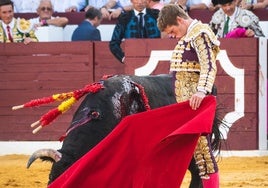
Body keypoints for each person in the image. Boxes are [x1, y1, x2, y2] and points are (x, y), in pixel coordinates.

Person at [157, 4, 220, 187]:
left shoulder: (200, 33)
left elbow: (209, 65)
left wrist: (201, 91)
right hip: (185, 105)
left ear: (179, 20)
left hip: (195, 102)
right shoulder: (189, 35)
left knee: (203, 153)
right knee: (192, 152)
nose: (172, 35)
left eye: (172, 30)